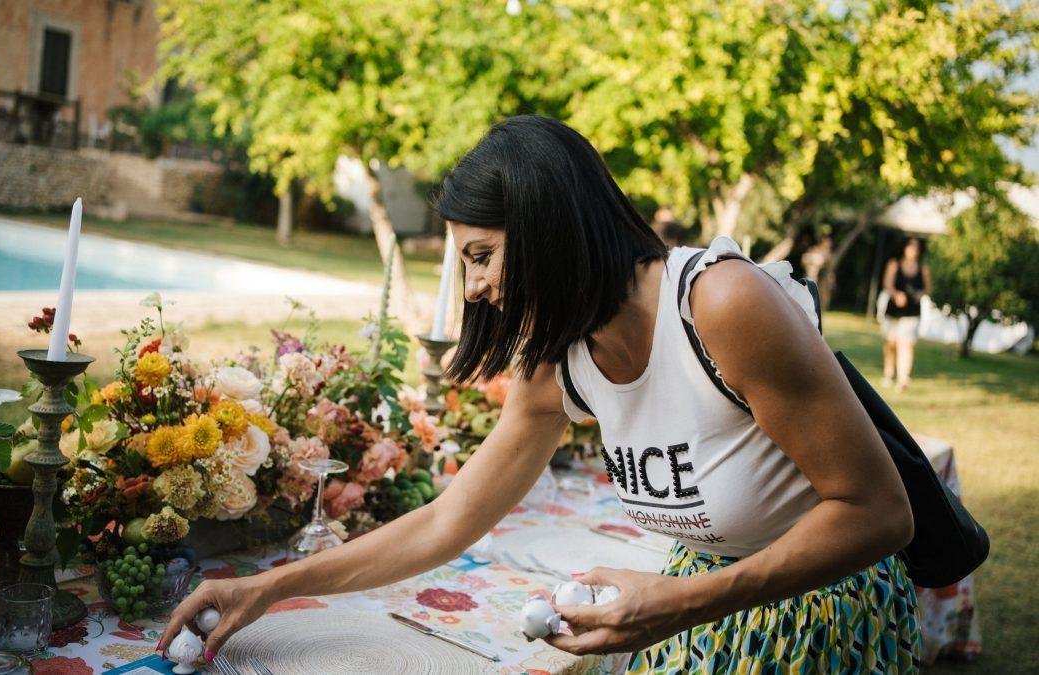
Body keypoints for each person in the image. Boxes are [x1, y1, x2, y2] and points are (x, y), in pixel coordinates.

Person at [158, 116, 920, 672]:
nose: (478, 287)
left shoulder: (721, 304)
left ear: (547, 226)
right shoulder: (558, 361)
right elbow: (447, 520)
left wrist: (685, 600)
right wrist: (268, 587)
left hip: (815, 612)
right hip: (703, 601)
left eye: (482, 255)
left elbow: (879, 512)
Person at [881, 237, 931, 391]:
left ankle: (903, 379)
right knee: (891, 343)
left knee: (906, 344)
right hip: (894, 310)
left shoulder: (923, 268)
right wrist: (896, 294)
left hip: (912, 311)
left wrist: (920, 294)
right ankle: (888, 374)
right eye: (910, 246)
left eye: (916, 247)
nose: (913, 249)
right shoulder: (894, 264)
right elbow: (887, 284)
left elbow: (928, 289)